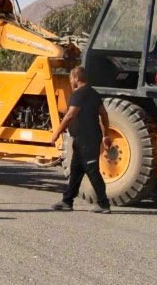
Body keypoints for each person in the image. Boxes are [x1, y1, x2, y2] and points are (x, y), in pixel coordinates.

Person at [48, 66, 112, 214]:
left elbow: (70, 115)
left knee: (92, 170)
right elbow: (104, 115)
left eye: (71, 78)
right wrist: (105, 135)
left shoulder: (79, 94)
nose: (70, 81)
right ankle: (67, 201)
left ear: (76, 78)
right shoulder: (94, 93)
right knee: (76, 170)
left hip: (87, 139)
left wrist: (56, 132)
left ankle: (103, 204)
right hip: (83, 138)